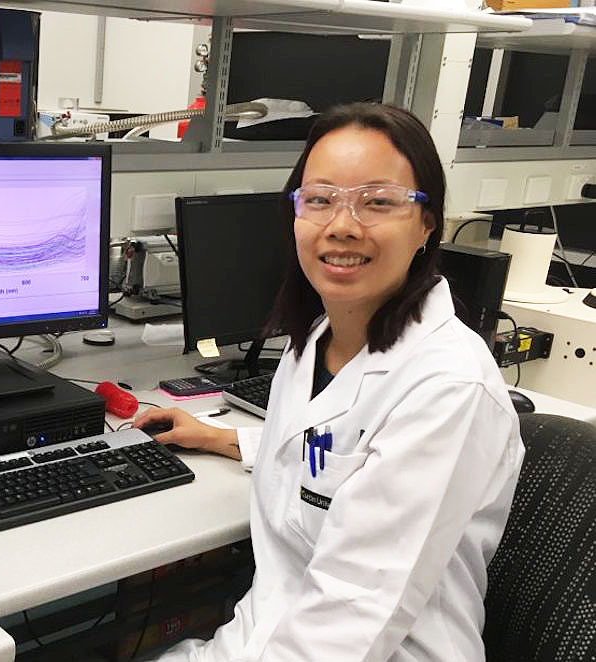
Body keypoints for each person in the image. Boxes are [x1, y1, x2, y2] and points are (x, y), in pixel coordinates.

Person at [134, 102, 524, 662]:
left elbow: (352, 618)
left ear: (427, 223)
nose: (342, 225)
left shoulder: (448, 388)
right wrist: (226, 439)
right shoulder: (321, 336)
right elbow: (328, 450)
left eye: (378, 202)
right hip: (265, 632)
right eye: (319, 200)